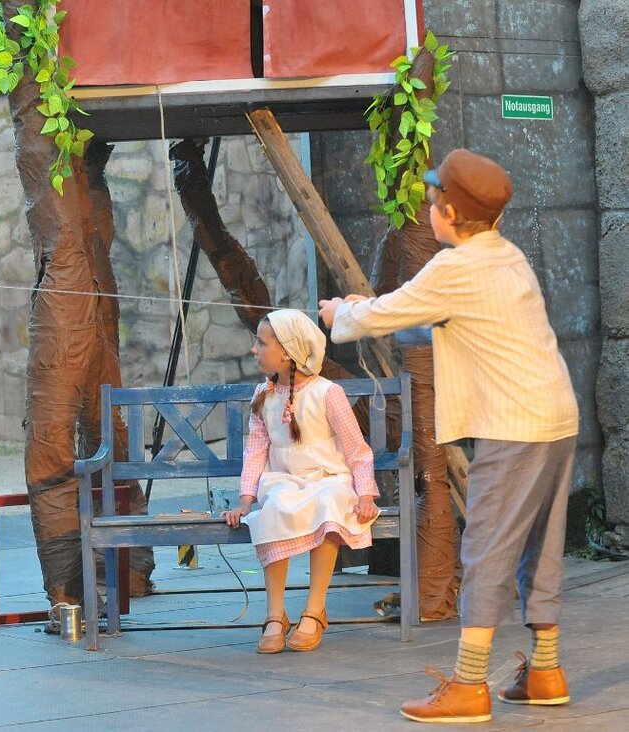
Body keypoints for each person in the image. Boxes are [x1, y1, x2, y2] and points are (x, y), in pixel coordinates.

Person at [319, 149, 579, 724]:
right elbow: (427, 316)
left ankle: (467, 687)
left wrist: (342, 312)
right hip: (555, 418)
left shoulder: (454, 267)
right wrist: (369, 308)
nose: (429, 206)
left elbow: (384, 316)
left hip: (514, 427)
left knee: (486, 546)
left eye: (434, 200)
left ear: (450, 212)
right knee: (542, 542)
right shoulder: (503, 256)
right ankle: (545, 669)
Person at [222, 309, 379, 654]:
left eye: (261, 343)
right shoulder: (264, 394)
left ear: (287, 351)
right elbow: (256, 451)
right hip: (285, 480)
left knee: (330, 505)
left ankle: (314, 609)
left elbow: (356, 448)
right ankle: (275, 613)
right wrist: (246, 499)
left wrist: (365, 492)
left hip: (327, 477)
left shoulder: (327, 392)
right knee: (275, 508)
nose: (254, 350)